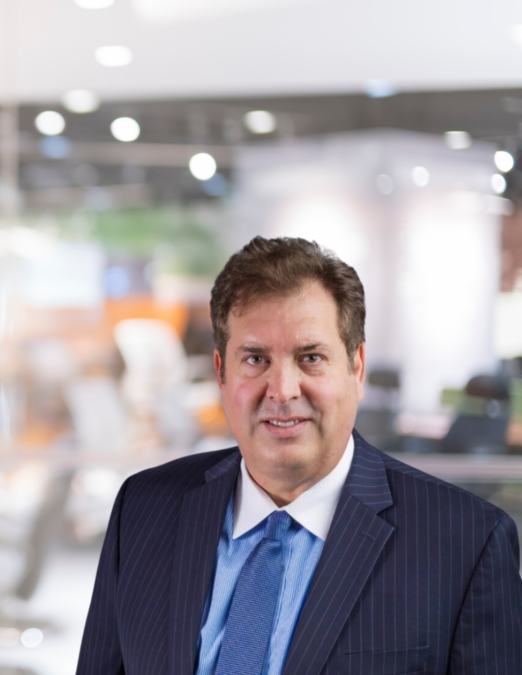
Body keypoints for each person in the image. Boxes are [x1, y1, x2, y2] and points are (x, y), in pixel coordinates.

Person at [76, 237, 522, 675]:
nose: (283, 390)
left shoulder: (466, 544)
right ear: (221, 373)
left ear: (356, 368)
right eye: (255, 359)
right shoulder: (144, 508)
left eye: (310, 357)